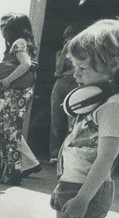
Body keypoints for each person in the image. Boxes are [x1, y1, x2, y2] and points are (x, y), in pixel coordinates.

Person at [51, 19, 119, 218]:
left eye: (82, 68)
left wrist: (83, 199)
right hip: (72, 184)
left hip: (86, 192)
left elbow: (105, 159)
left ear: (113, 64)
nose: (75, 74)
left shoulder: (114, 106)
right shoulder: (96, 98)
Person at [0, 13, 40, 185]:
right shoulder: (25, 42)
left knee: (11, 134)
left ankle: (12, 172)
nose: (4, 31)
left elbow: (25, 64)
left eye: (7, 27)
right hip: (17, 92)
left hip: (16, 92)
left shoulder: (18, 42)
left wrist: (7, 80)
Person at [49, 24, 81, 165]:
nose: (70, 40)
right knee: (56, 120)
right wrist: (64, 52)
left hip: (75, 84)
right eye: (68, 38)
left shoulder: (82, 53)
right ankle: (54, 154)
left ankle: (67, 155)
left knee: (72, 122)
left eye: (72, 37)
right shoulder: (60, 53)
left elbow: (77, 71)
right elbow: (57, 70)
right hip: (60, 84)